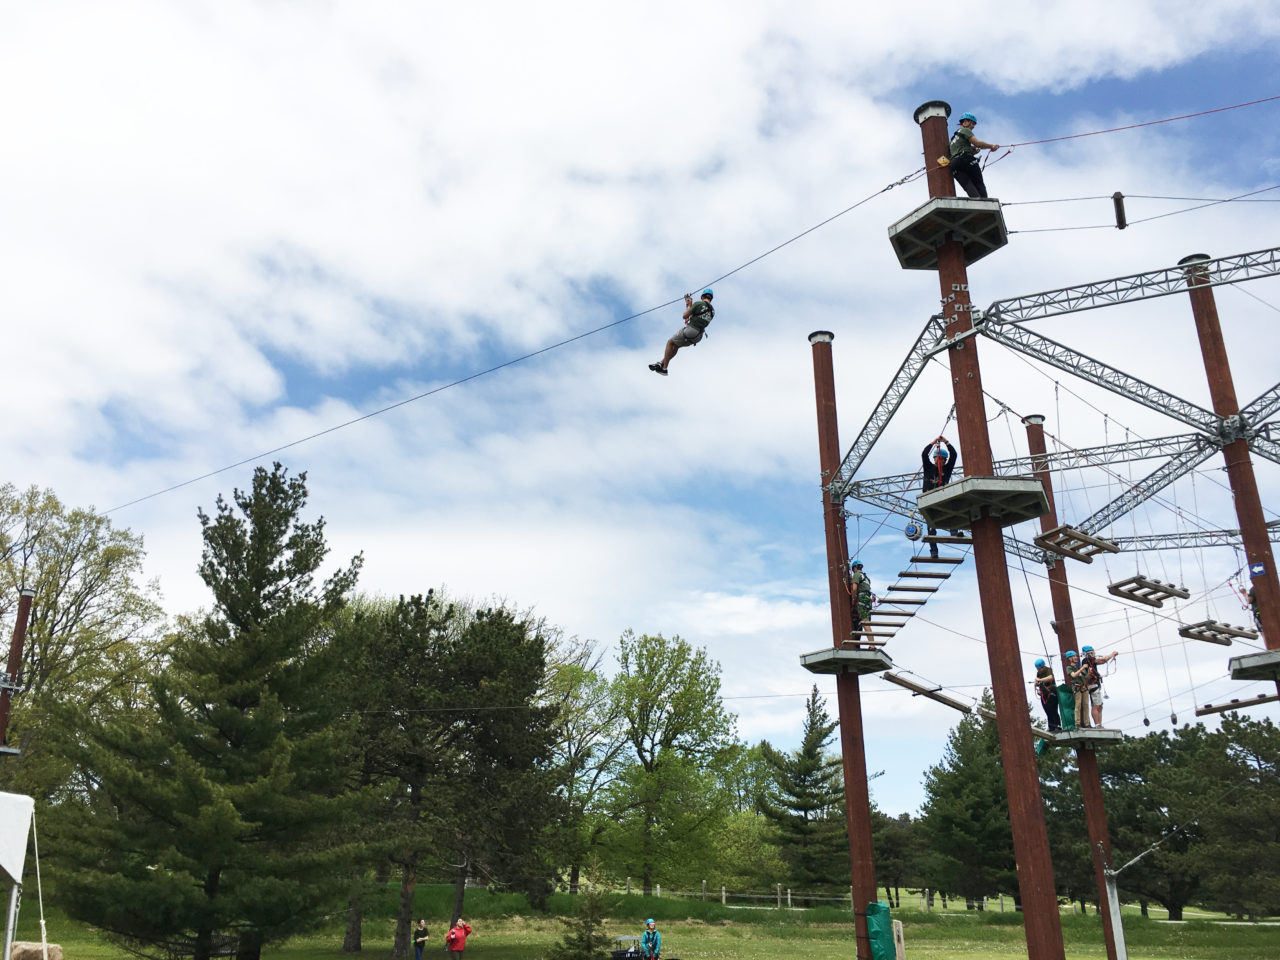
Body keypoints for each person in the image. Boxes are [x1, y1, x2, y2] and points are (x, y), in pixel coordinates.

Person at [650, 289, 714, 376]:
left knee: (670, 342)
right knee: (676, 346)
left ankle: (664, 368)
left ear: (702, 296)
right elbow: (696, 316)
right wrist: (689, 304)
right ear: (711, 298)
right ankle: (660, 363)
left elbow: (685, 316)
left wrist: (688, 304)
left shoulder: (699, 304)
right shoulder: (712, 311)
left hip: (691, 330)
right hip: (698, 336)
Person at [920, 436, 958, 558]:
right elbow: (924, 454)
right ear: (934, 458)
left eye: (941, 459)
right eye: (937, 458)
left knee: (952, 510)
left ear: (945, 460)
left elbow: (954, 455)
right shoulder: (928, 468)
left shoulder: (947, 469)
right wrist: (933, 442)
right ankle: (934, 552)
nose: (939, 461)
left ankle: (954, 533)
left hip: (942, 498)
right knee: (931, 528)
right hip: (929, 500)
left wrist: (946, 442)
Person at [948, 112, 999, 199]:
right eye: (971, 123)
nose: (973, 126)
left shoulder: (952, 141)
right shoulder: (965, 130)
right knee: (979, 183)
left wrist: (972, 150)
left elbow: (958, 151)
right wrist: (991, 146)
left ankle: (977, 202)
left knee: (968, 186)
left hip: (954, 165)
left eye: (974, 124)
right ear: (964, 122)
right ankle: (985, 205)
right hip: (966, 159)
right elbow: (978, 143)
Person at [1078, 645, 1117, 726]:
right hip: (1092, 685)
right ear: (1087, 654)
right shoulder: (1087, 660)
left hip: (1095, 684)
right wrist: (1112, 654)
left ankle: (1099, 723)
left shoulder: (1089, 661)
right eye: (1091, 653)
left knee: (1099, 705)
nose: (1093, 654)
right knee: (1096, 705)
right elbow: (1103, 660)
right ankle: (1097, 724)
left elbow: (1102, 661)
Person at [1033, 658, 1061, 732]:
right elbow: (1039, 680)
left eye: (1039, 668)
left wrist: (1040, 680)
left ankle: (1057, 726)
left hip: (1051, 692)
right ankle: (1051, 726)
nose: (1038, 670)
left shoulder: (1048, 670)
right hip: (1044, 693)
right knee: (1047, 710)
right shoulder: (1039, 673)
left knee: (1053, 710)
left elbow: (1050, 677)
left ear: (1042, 667)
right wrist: (1037, 684)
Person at [1063, 650, 1090, 728]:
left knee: (1086, 705)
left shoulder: (1080, 667)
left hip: (1084, 687)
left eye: (1076, 656)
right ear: (1070, 658)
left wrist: (1089, 672)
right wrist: (1082, 668)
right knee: (1078, 705)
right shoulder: (1069, 667)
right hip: (1077, 687)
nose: (1076, 658)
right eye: (1073, 656)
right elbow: (1074, 675)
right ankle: (1077, 723)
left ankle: (1087, 723)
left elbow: (1086, 677)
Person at [848, 560, 875, 633]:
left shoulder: (857, 575)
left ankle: (872, 644)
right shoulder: (866, 578)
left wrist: (853, 598)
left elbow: (854, 589)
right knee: (866, 623)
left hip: (862, 600)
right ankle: (872, 643)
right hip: (868, 600)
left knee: (865, 622)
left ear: (855, 568)